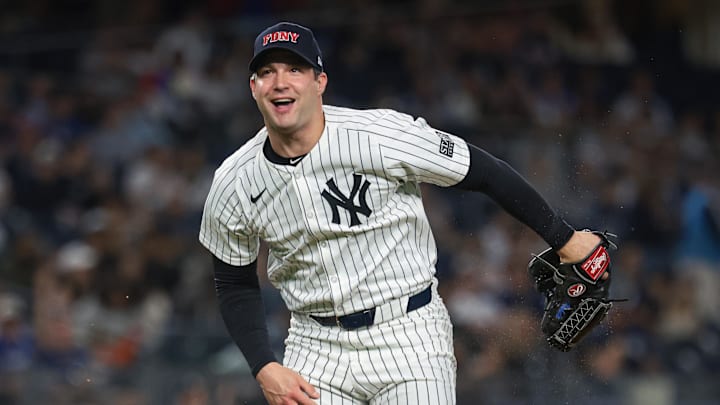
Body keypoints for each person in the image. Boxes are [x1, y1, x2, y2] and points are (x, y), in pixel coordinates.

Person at [199, 21, 606, 405]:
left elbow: (482, 171)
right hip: (314, 346)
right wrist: (264, 365)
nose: (281, 82)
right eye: (267, 72)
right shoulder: (235, 180)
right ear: (253, 87)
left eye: (295, 69)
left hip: (408, 334)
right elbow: (233, 281)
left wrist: (564, 238)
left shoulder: (379, 136)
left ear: (320, 82)